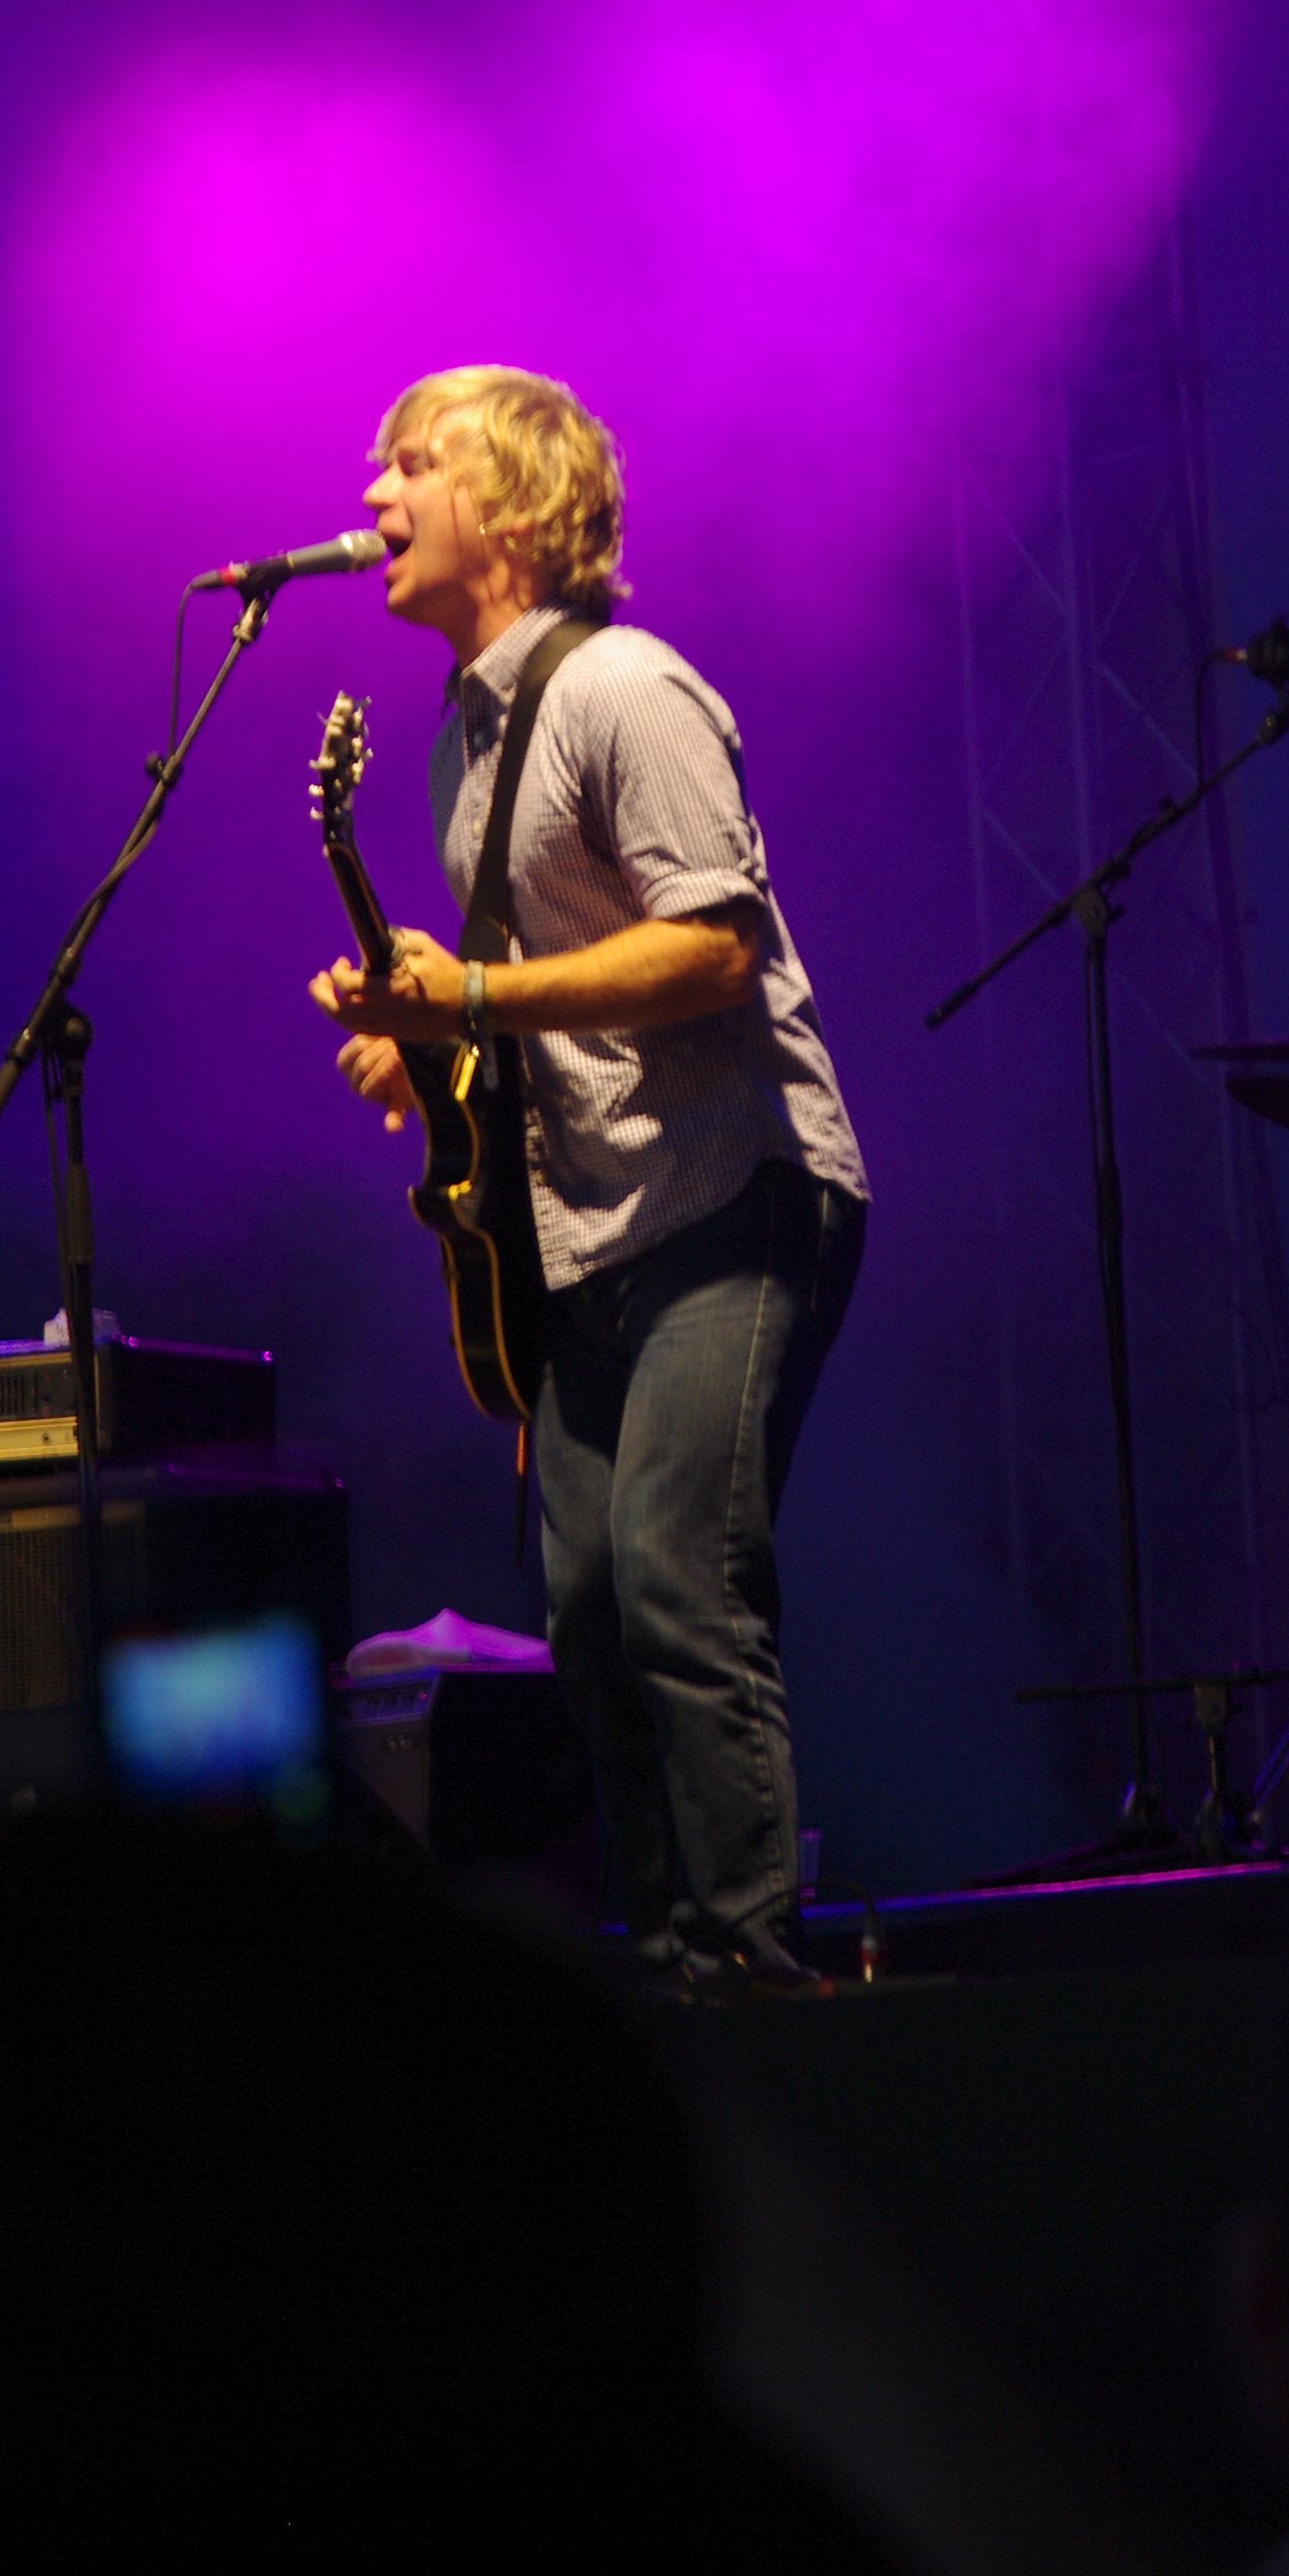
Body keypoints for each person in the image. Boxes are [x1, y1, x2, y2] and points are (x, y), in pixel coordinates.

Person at [313, 367, 869, 1997]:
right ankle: (678, 1962)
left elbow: (714, 945)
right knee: (583, 1608)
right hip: (580, 1239)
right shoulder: (452, 751)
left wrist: (472, 995)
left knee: (674, 1575)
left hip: (732, 1193)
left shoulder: (627, 685)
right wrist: (422, 1046)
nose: (372, 490)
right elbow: (531, 1014)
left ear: (507, 501)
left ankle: (750, 1962)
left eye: (409, 461)